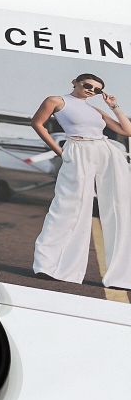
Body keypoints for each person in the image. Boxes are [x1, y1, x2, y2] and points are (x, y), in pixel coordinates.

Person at [31, 73, 131, 288]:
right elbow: (37, 123)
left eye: (96, 89)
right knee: (68, 206)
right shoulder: (56, 100)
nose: (91, 91)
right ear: (75, 82)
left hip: (106, 151)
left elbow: (127, 131)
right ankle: (51, 266)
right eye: (87, 85)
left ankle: (121, 276)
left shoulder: (96, 110)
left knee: (119, 206)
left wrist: (114, 106)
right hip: (77, 149)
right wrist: (60, 152)